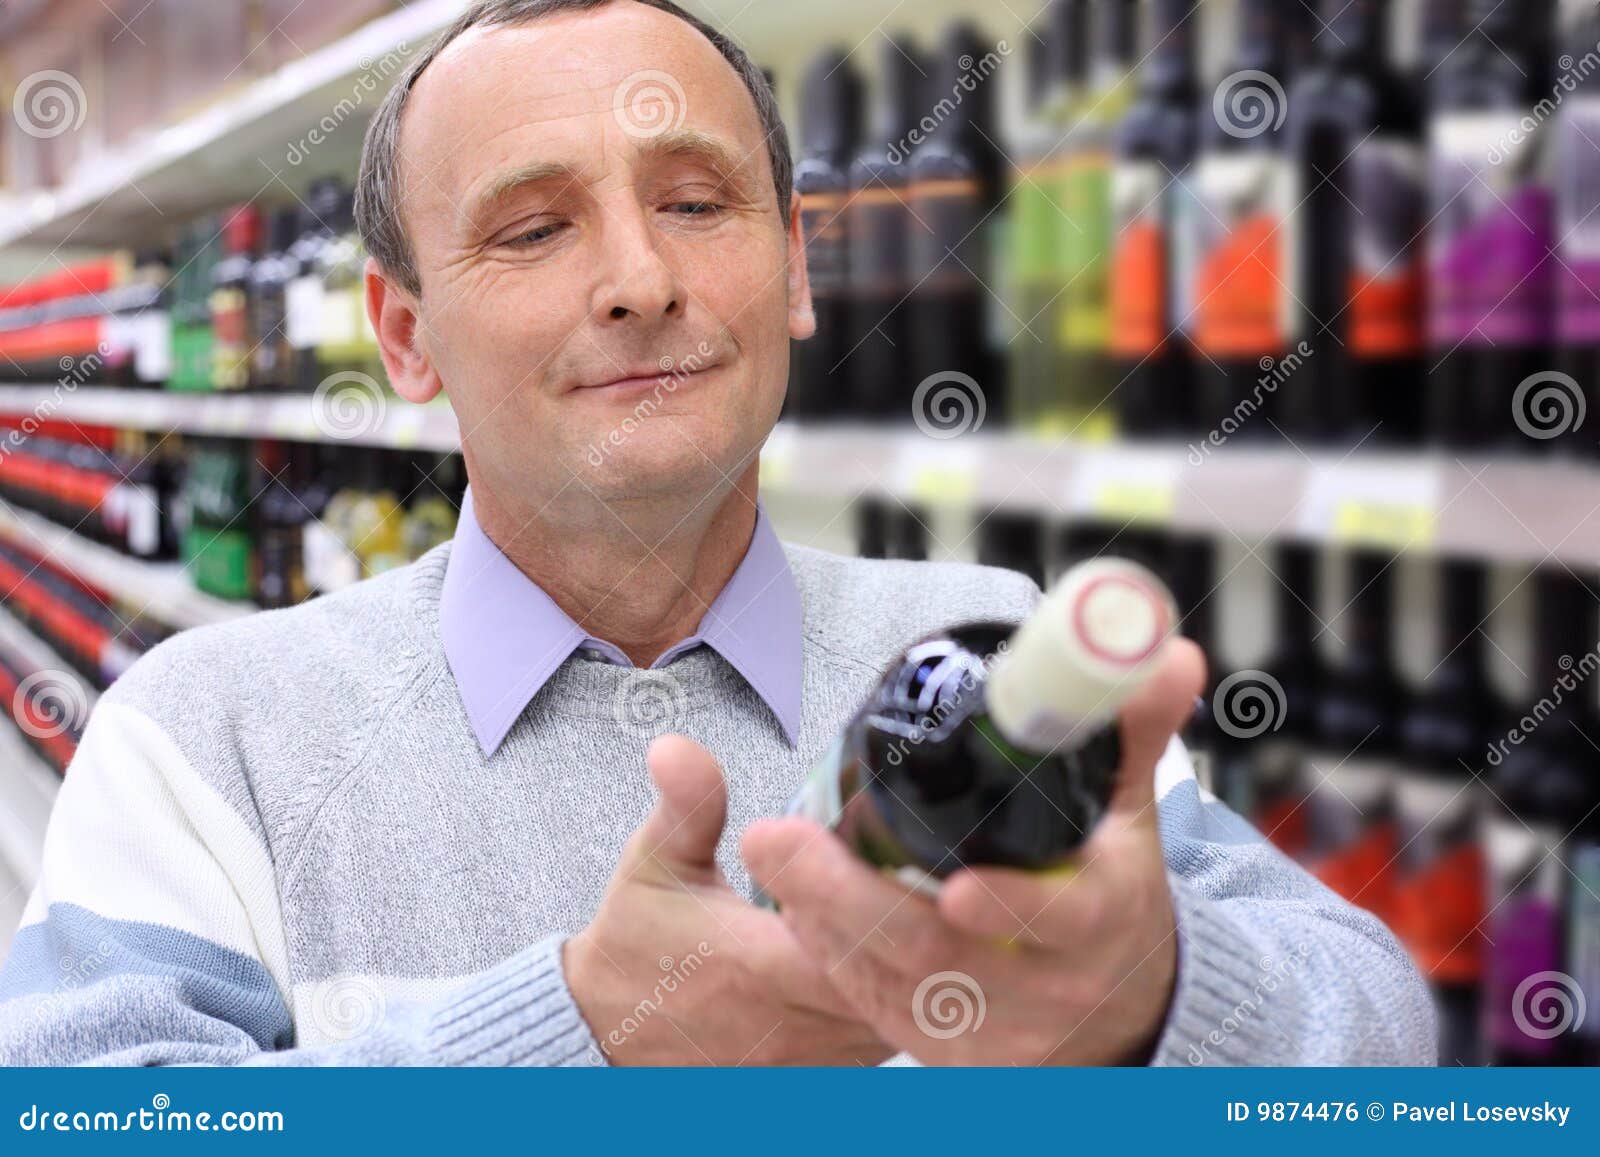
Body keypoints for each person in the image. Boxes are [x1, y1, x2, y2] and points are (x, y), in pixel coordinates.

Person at [0, 0, 1433, 1066]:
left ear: (795, 267)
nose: (639, 278)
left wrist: (1155, 1001)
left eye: (696, 203)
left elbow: (1378, 1034)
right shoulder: (210, 735)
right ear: (403, 330)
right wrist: (575, 1038)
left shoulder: (985, 653)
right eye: (532, 229)